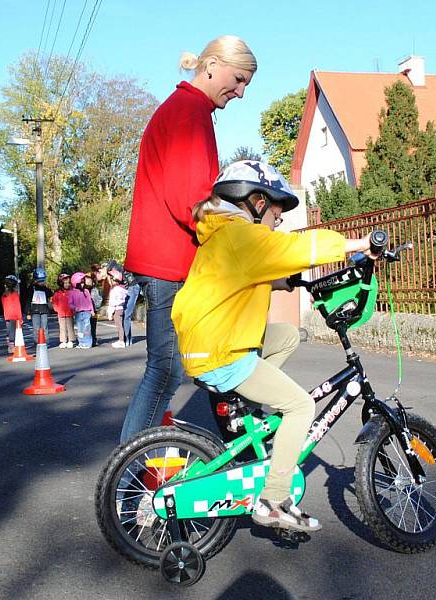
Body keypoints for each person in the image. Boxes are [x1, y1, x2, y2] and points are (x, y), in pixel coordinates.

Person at [171, 160, 376, 532]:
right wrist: (360, 243)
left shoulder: (226, 233)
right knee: (301, 406)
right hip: (222, 351)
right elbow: (297, 246)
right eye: (277, 213)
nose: (278, 221)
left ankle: (250, 409)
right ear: (258, 201)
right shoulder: (241, 235)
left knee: (287, 335)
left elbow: (249, 274)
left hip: (214, 340)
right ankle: (273, 499)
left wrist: (288, 282)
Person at [119, 35, 257, 443]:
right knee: (166, 370)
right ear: (211, 65)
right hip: (171, 263)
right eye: (238, 79)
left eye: (246, 83)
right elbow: (192, 202)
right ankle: (126, 475)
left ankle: (237, 453)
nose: (241, 92)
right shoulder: (188, 112)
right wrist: (246, 234)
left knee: (193, 364)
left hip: (168, 259)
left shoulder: (190, 110)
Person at [25, 268, 53, 343]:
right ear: (35, 280)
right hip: (34, 311)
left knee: (45, 326)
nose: (42, 283)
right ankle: (36, 341)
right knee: (36, 327)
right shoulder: (32, 289)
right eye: (40, 281)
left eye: (43, 280)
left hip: (44, 310)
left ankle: (46, 341)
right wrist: (28, 312)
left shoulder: (46, 289)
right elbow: (28, 300)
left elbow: (50, 295)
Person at [68, 272, 94, 349]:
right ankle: (81, 343)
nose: (83, 284)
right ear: (76, 283)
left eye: (83, 282)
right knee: (80, 329)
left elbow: (90, 302)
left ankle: (88, 343)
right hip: (78, 313)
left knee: (87, 328)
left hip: (87, 312)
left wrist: (92, 311)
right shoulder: (72, 292)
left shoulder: (86, 291)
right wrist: (75, 308)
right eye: (81, 282)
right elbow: (70, 303)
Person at [52, 273, 76, 349]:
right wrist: (57, 309)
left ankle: (71, 340)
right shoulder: (57, 293)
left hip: (70, 312)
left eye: (68, 283)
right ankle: (63, 341)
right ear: (61, 283)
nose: (67, 285)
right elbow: (54, 302)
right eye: (65, 283)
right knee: (62, 327)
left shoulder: (72, 292)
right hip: (61, 313)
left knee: (70, 327)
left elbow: (74, 301)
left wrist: (74, 309)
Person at [0, 275, 22, 353]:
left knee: (9, 330)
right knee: (14, 331)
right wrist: (20, 317)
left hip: (7, 315)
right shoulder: (15, 294)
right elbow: (17, 306)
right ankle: (12, 347)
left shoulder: (4, 295)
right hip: (14, 316)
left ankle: (9, 345)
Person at [107, 268, 128, 349]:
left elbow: (112, 303)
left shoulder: (114, 290)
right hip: (122, 308)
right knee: (121, 325)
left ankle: (121, 341)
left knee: (119, 325)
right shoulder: (123, 289)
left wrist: (109, 313)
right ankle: (122, 340)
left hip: (117, 309)